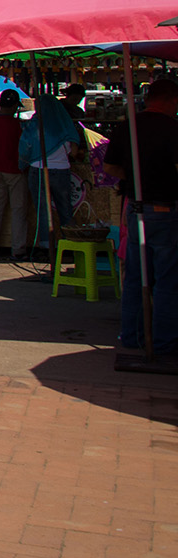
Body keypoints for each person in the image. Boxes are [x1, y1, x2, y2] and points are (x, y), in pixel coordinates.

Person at [107, 77, 178, 370]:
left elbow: (110, 167)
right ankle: (163, 342)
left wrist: (136, 178)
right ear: (171, 100)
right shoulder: (173, 129)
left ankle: (134, 336)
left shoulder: (128, 126)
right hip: (164, 209)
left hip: (135, 209)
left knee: (136, 277)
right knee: (167, 280)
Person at [20, 84, 87, 252]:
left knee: (42, 210)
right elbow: (74, 152)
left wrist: (22, 165)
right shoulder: (64, 125)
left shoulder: (34, 124)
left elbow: (24, 149)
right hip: (62, 171)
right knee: (65, 209)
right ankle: (70, 245)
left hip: (38, 170)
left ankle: (45, 246)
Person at [0, 89, 30, 260]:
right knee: (18, 210)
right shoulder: (17, 125)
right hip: (16, 171)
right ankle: (18, 249)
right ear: (15, 105)